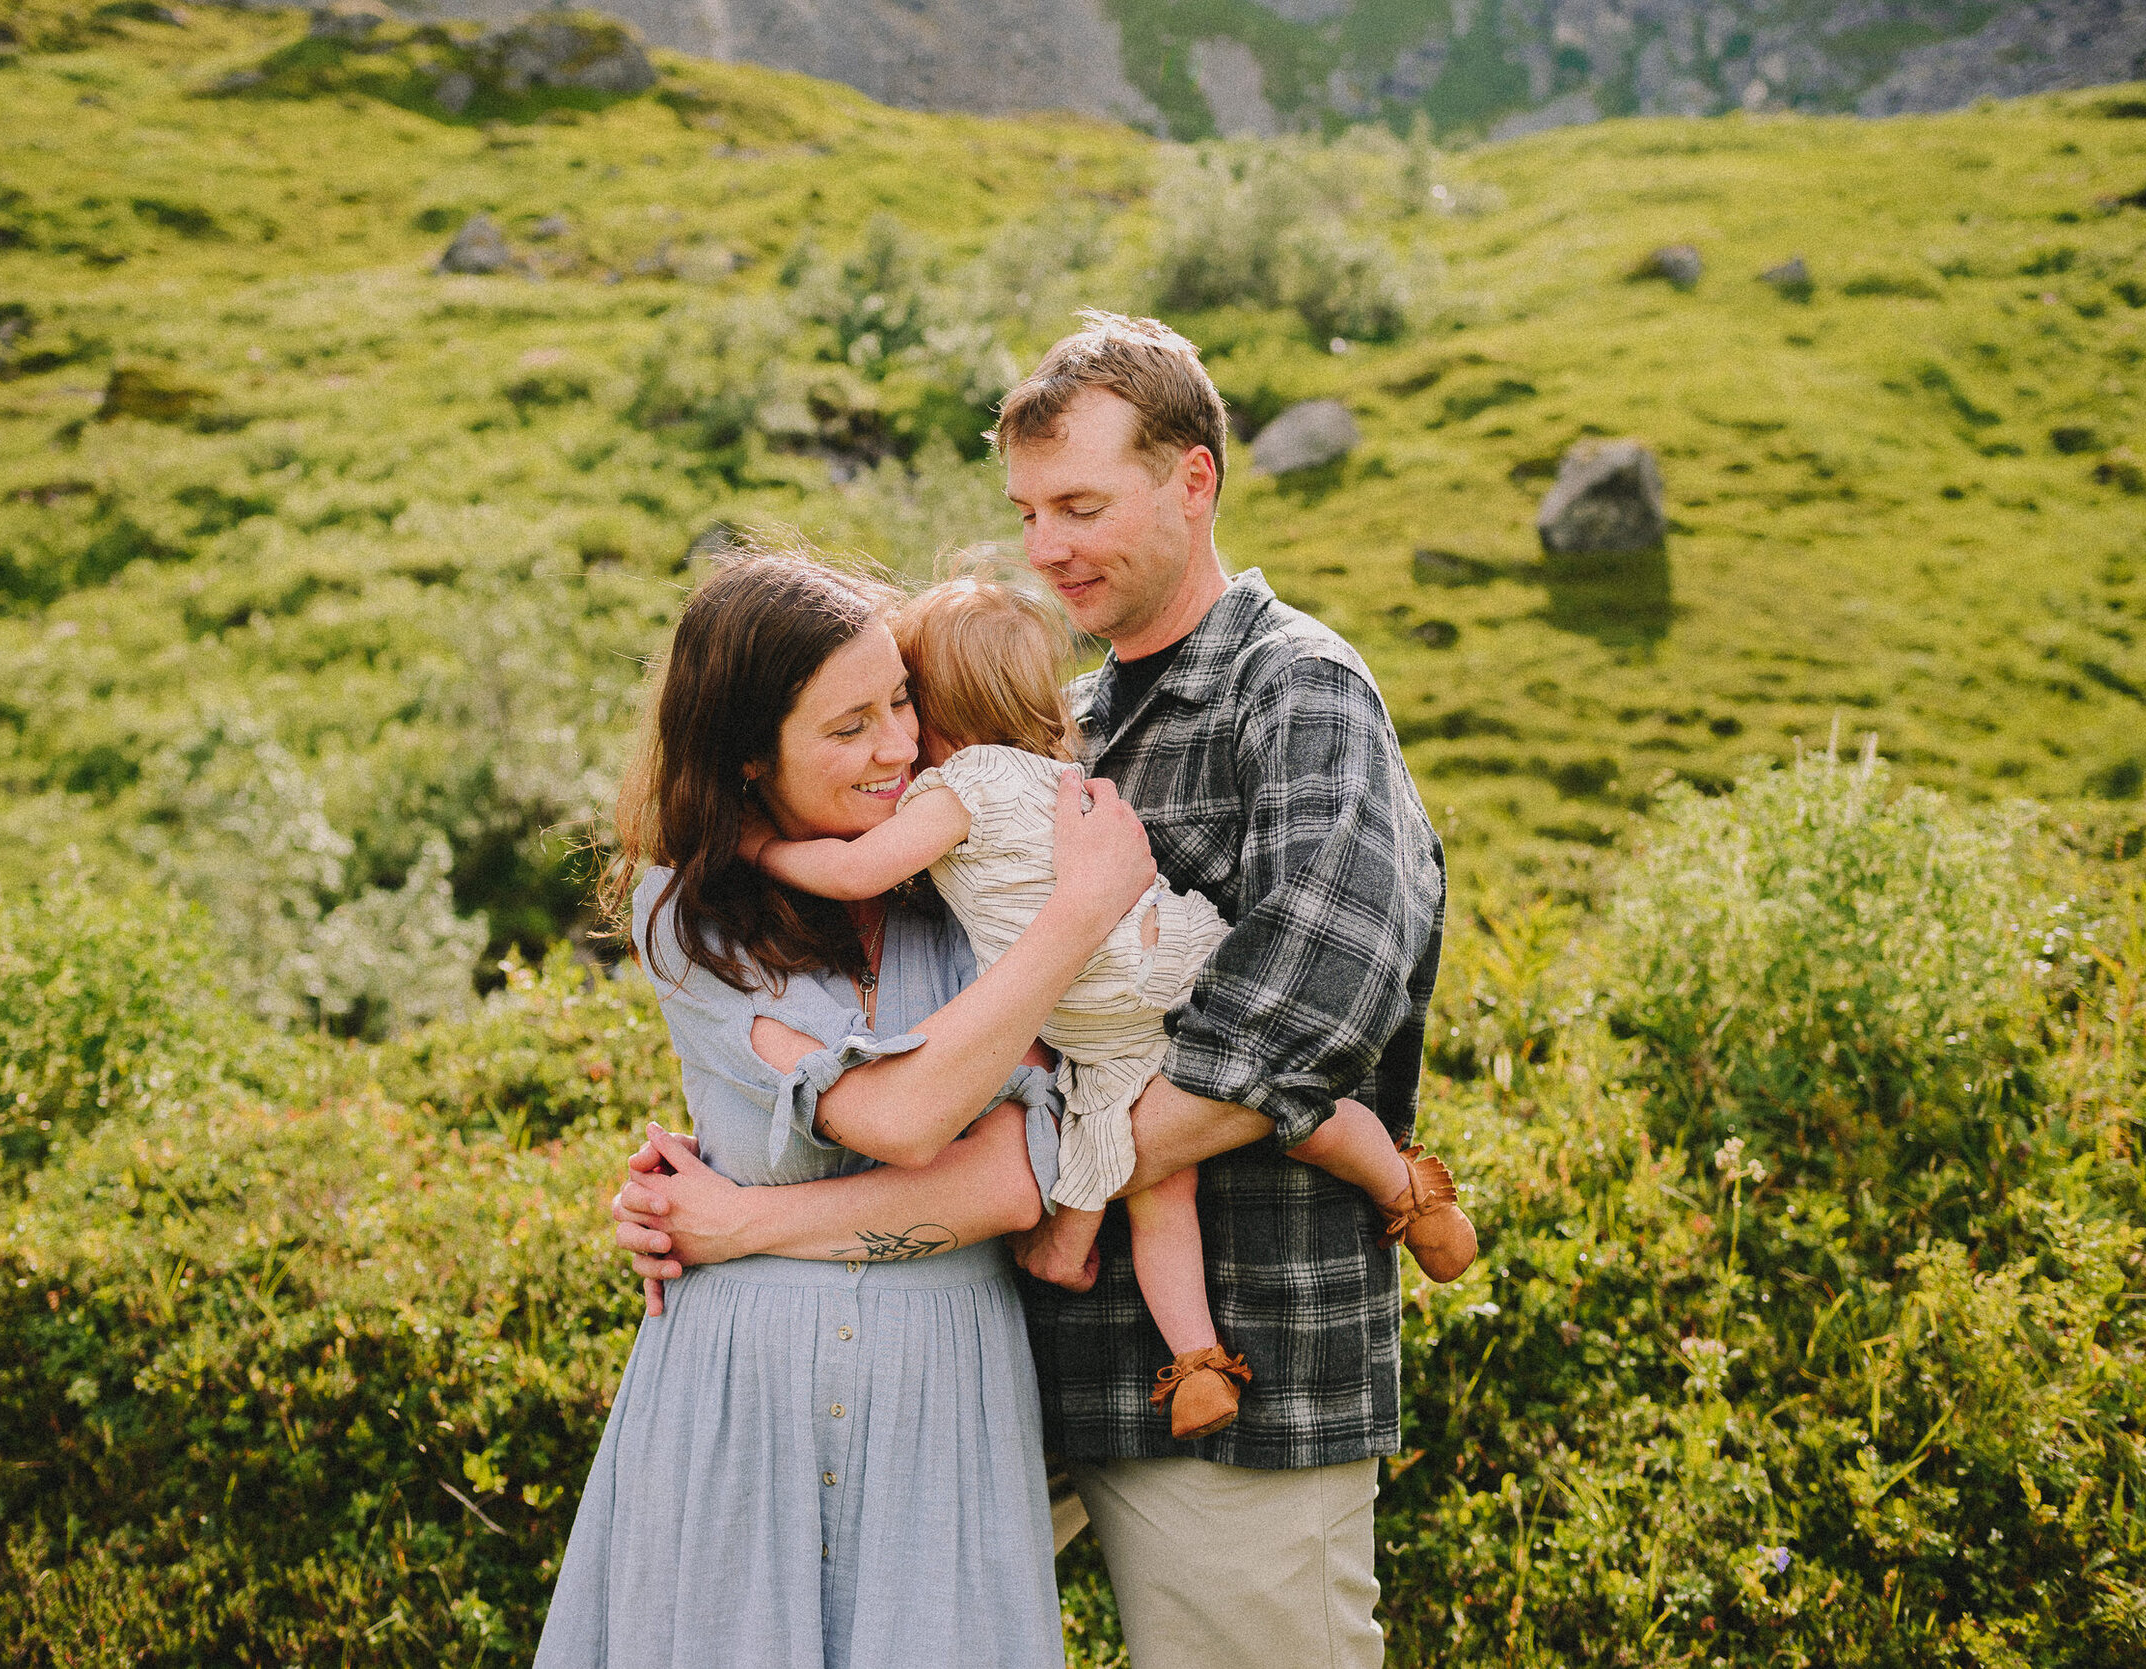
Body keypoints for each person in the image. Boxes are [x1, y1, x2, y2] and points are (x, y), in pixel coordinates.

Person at [617, 311, 1446, 1669]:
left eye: (1081, 503)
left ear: (1194, 480)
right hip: (1021, 1361)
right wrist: (714, 1167)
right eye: (1026, 509)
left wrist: (980, 1183)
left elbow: (1311, 1015)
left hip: (1238, 1364)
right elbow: (906, 1020)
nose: (1047, 545)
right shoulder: (1052, 724)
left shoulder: (1293, 693)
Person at [533, 549, 1160, 1669]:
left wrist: (743, 1222)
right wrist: (1079, 915)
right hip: (738, 1401)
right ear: (745, 757)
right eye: (846, 727)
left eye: (901, 700)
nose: (898, 747)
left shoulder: (968, 883)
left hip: (945, 1398)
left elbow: (1022, 1173)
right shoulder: (685, 906)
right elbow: (908, 1116)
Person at [744, 570, 1474, 1440]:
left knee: (1154, 1183)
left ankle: (1196, 1357)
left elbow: (856, 869)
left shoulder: (959, 787)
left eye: (904, 702)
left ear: (938, 712)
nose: (898, 741)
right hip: (1173, 948)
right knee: (1303, 1107)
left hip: (1101, 1013)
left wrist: (760, 846)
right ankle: (1413, 1194)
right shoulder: (1066, 772)